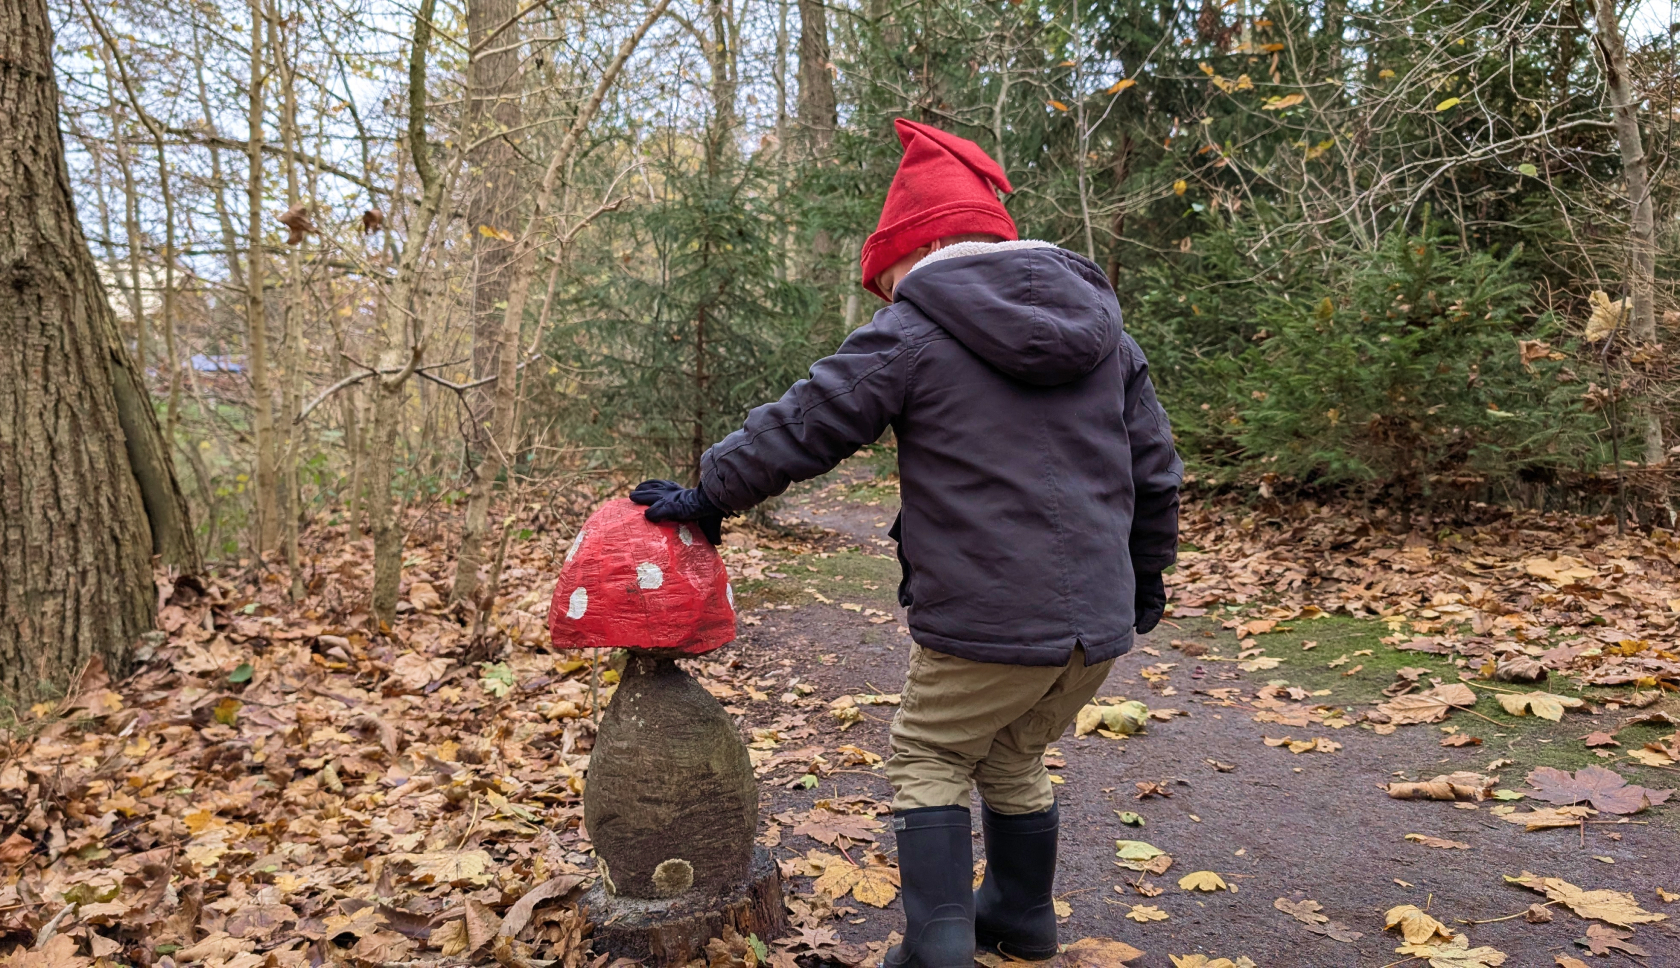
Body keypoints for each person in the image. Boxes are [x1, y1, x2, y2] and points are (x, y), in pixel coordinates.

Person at [630, 118, 1182, 968]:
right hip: (1096, 627)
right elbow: (1157, 470)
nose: (883, 296)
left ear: (914, 251)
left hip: (984, 621)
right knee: (1014, 749)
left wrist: (710, 492)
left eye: (882, 278)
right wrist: (1146, 581)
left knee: (928, 753)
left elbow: (805, 422)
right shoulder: (1110, 333)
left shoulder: (916, 330)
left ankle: (936, 945)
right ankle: (1022, 918)